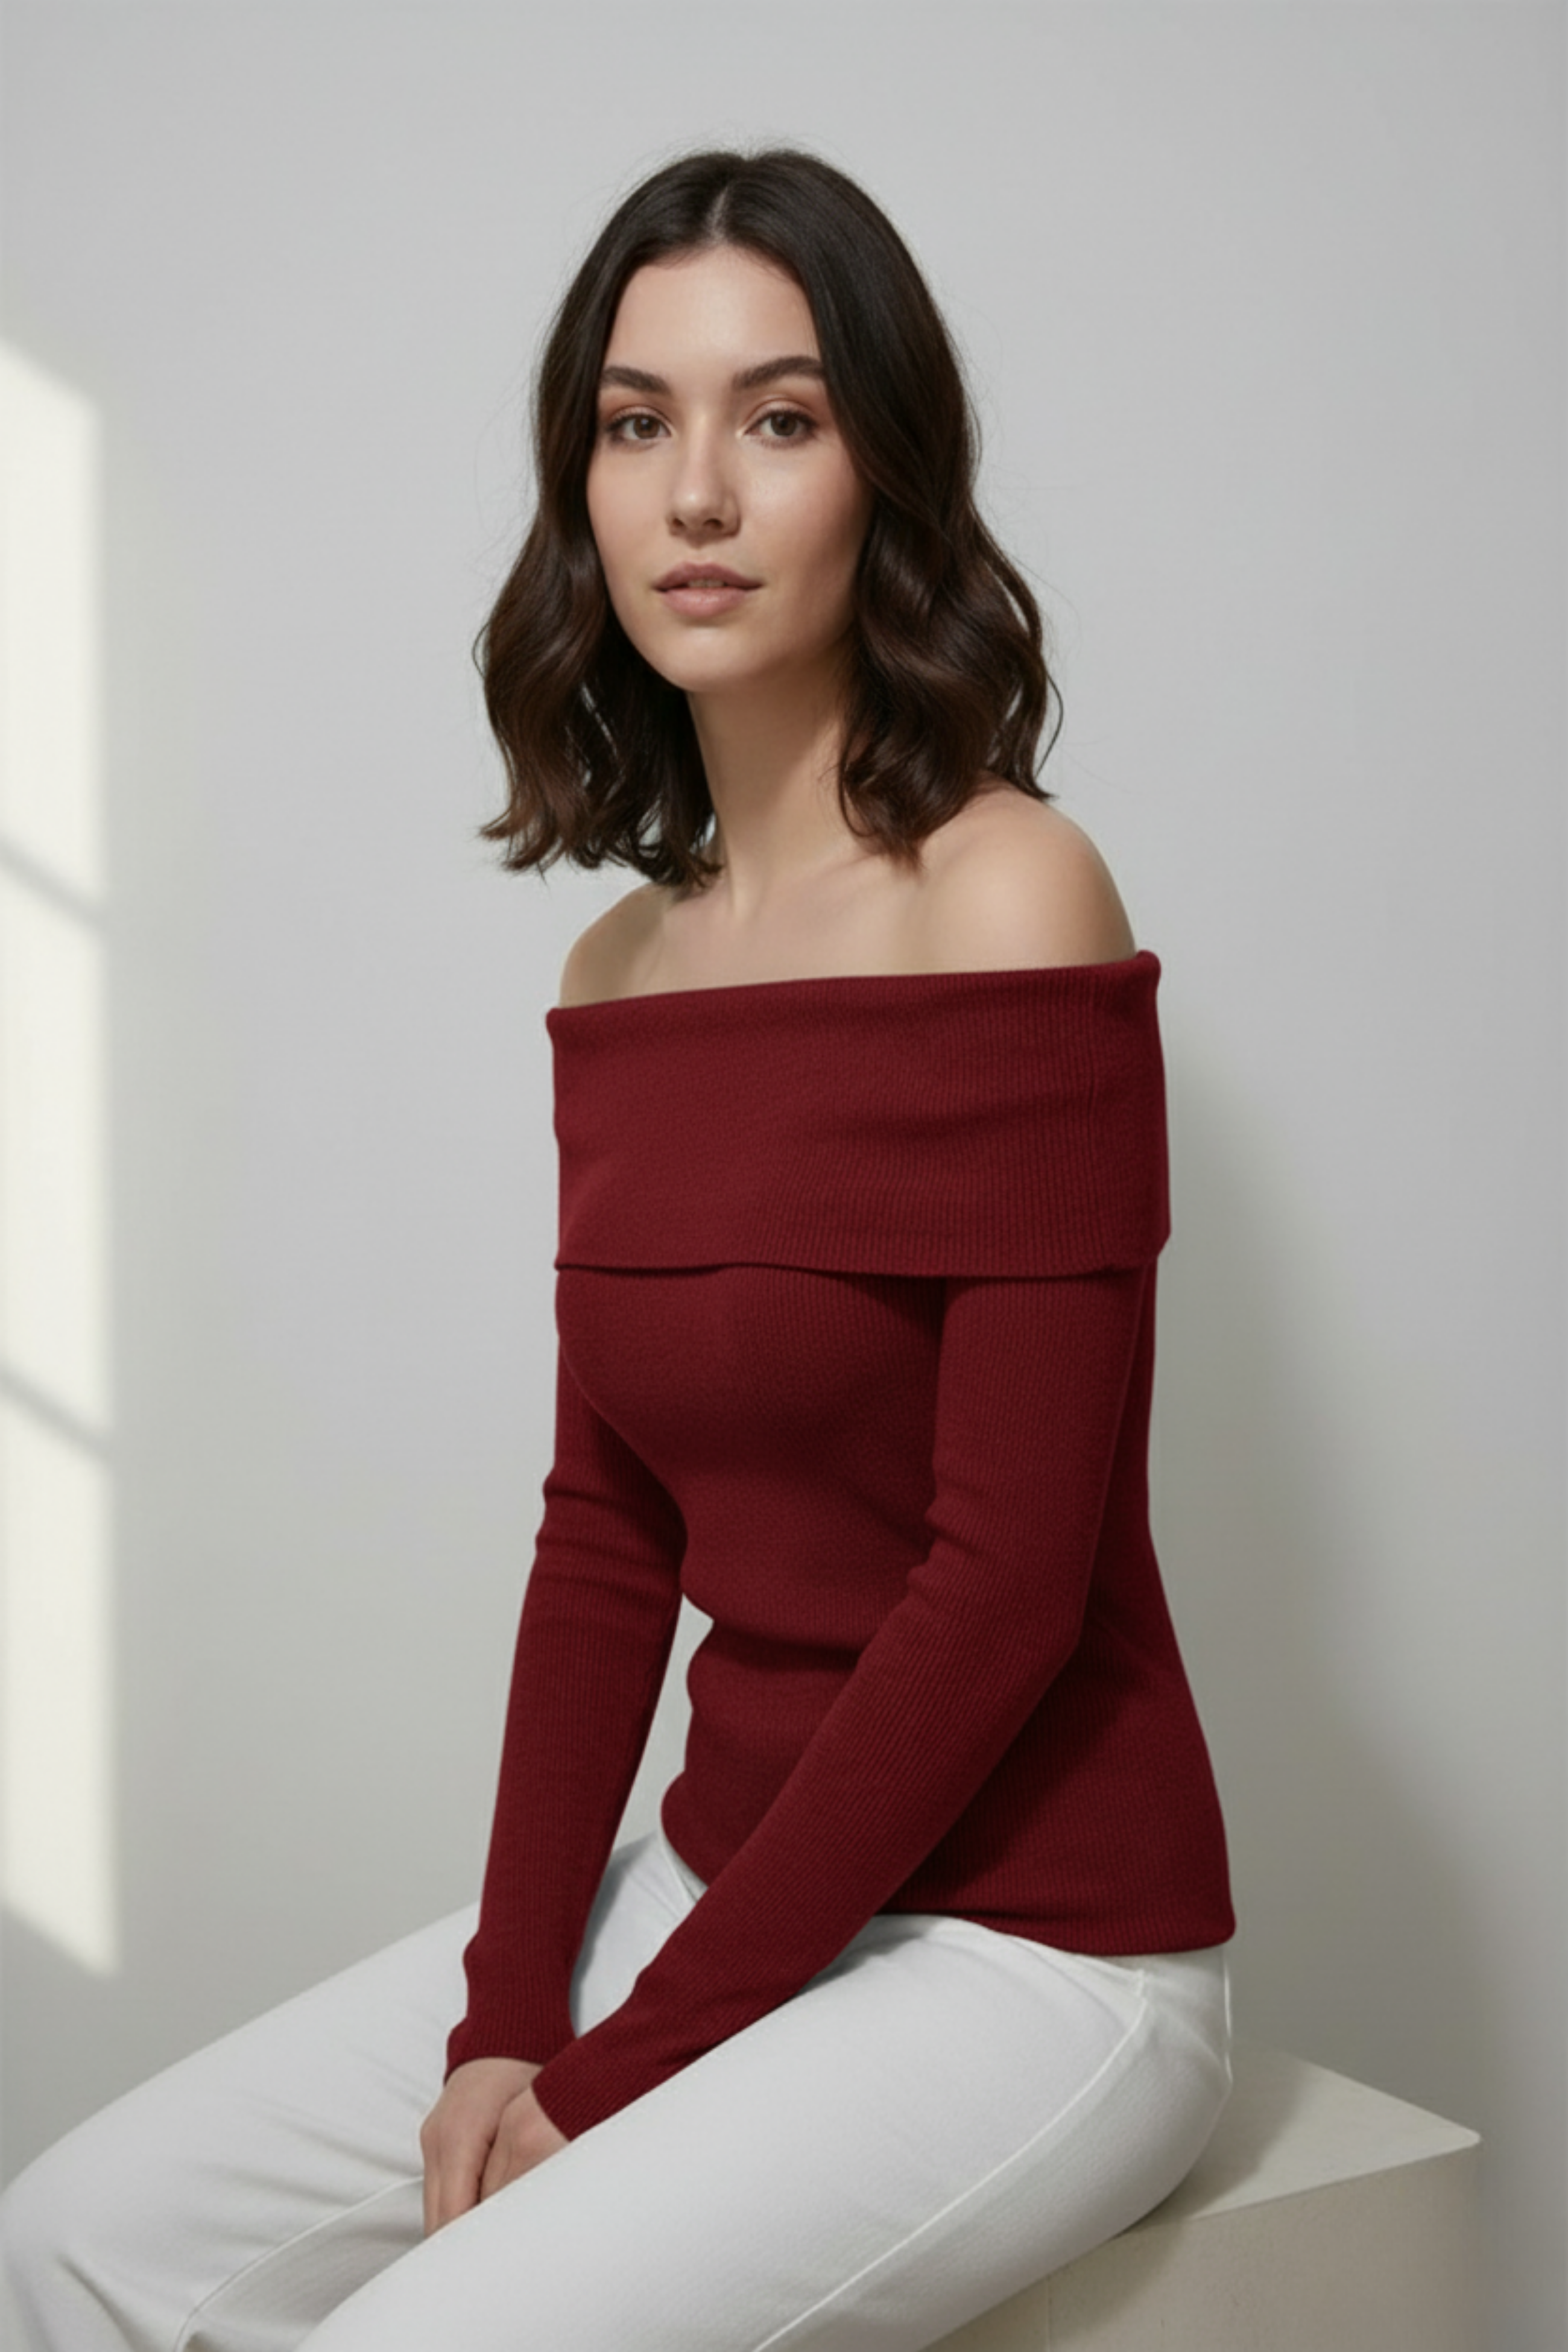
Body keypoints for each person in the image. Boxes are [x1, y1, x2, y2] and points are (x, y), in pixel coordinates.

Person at [1, 145, 1235, 2352]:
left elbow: (1006, 1584)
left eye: (780, 418)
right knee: (75, 2232)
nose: (698, 495)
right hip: (726, 1878)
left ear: (885, 469)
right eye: (636, 422)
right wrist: (507, 2015)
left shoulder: (1011, 894)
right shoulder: (621, 970)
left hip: (1037, 1950)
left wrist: (626, 2066)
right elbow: (606, 1532)